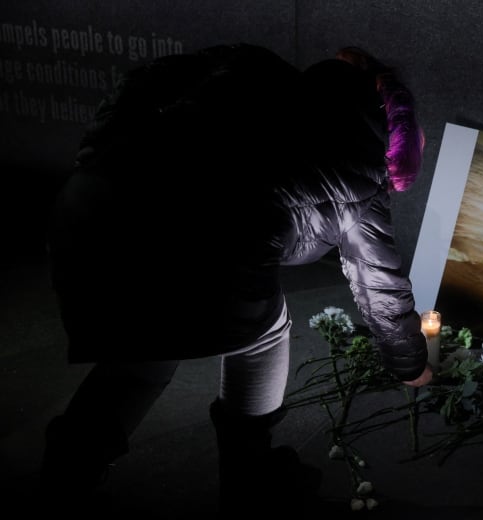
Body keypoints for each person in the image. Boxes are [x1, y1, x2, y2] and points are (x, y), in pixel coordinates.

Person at [40, 43, 432, 514]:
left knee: (145, 350)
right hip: (203, 250)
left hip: (89, 216)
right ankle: (251, 477)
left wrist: (99, 160)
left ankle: (65, 476)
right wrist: (411, 365)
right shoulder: (362, 167)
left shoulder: (253, 67)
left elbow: (142, 80)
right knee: (265, 335)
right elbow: (378, 283)